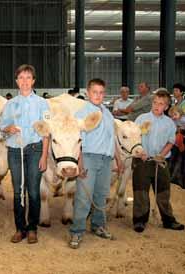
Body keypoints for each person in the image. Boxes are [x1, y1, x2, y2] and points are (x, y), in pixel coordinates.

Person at [68, 78, 122, 249]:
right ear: (88, 92)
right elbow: (76, 141)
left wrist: (118, 160)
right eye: (94, 92)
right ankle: (77, 231)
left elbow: (112, 138)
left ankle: (98, 226)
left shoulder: (107, 113)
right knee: (83, 197)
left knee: (101, 195)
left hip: (106, 159)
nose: (98, 95)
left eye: (101, 92)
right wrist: (80, 163)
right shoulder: (82, 113)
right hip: (88, 157)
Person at [0, 64, 49, 244]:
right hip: (15, 151)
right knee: (18, 191)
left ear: (33, 81)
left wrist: (44, 155)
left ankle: (32, 228)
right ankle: (19, 228)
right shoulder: (10, 105)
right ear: (16, 81)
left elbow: (46, 131)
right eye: (21, 78)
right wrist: (8, 128)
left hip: (35, 149)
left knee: (34, 191)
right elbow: (1, 129)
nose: (25, 81)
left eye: (28, 78)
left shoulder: (43, 104)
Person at [132, 89, 185, 233]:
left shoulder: (169, 124)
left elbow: (170, 142)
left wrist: (161, 155)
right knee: (140, 192)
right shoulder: (141, 119)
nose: (157, 106)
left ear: (166, 107)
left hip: (160, 162)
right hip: (142, 161)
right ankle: (140, 220)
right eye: (155, 102)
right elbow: (134, 138)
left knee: (163, 192)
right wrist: (140, 152)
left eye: (161, 104)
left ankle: (168, 220)